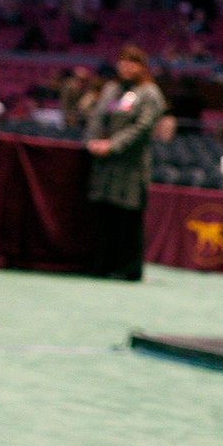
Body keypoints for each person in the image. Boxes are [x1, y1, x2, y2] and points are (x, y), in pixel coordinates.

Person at [84, 45, 165, 281]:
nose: (127, 67)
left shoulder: (150, 93)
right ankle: (100, 264)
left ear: (142, 67)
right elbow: (97, 117)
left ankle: (127, 268)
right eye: (123, 62)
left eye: (133, 63)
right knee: (104, 216)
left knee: (127, 218)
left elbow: (143, 127)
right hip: (104, 164)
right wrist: (92, 141)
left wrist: (113, 145)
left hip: (131, 166)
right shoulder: (112, 89)